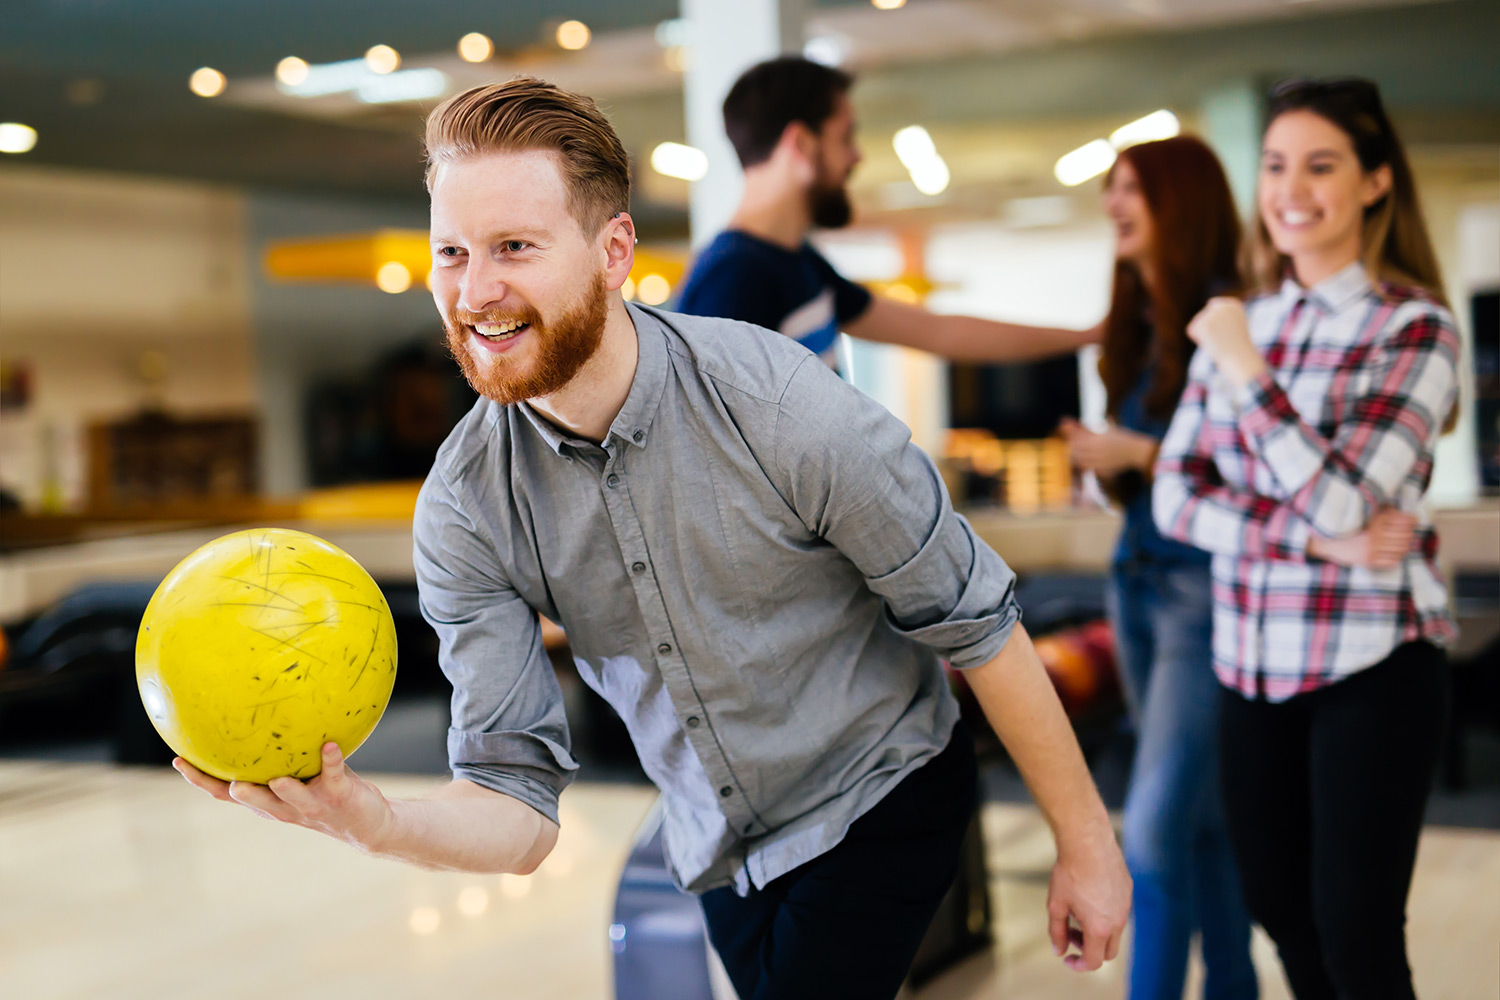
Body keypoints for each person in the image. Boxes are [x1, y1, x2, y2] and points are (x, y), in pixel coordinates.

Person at [172, 77, 1130, 999]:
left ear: (614, 249)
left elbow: (977, 620)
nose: (476, 291)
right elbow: (518, 807)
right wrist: (372, 821)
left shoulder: (778, 404)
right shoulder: (466, 505)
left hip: (880, 790)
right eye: (452, 253)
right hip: (716, 846)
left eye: (514, 246)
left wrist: (1086, 844)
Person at [1153, 77, 1460, 999]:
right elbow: (1173, 497)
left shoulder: (1412, 330)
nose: (1291, 187)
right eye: (1277, 165)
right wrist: (1316, 546)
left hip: (1371, 661)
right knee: (1282, 916)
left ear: (1374, 183)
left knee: (1356, 932)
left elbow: (1343, 500)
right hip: (1250, 660)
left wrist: (1245, 369)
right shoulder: (1238, 319)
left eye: (1321, 165)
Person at [1057, 136, 1258, 1000]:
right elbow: (1142, 478)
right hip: (1134, 583)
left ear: (1179, 200)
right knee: (1203, 824)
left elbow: (1258, 465)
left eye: (1130, 188)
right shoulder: (1137, 326)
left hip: (1203, 593)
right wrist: (1105, 459)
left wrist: (1138, 448)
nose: (1112, 204)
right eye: (1110, 189)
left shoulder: (1231, 318)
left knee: (1155, 833)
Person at [676, 56, 1099, 365]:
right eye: (846, 137)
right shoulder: (734, 280)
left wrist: (1091, 334)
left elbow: (940, 331)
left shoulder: (798, 265)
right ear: (801, 145)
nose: (856, 158)